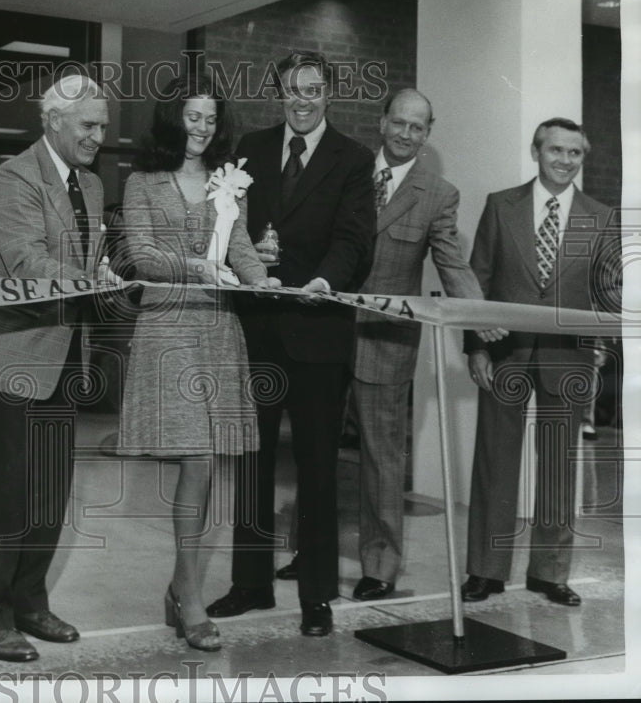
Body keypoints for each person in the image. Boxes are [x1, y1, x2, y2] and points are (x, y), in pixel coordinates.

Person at [207, 50, 375, 637]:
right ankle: (249, 584)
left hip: (319, 329)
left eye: (312, 89)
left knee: (317, 467)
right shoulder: (248, 148)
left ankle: (316, 596)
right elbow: (227, 227)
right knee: (250, 461)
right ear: (278, 92)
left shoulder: (353, 159)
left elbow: (356, 239)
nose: (301, 100)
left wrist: (325, 282)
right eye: (290, 89)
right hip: (257, 327)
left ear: (329, 93)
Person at [118, 74, 280, 651]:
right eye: (192, 117)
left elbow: (238, 248)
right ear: (172, 119)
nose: (202, 128)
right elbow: (140, 254)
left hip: (217, 329)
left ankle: (180, 587)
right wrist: (197, 268)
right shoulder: (142, 182)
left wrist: (267, 280)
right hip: (168, 328)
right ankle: (189, 599)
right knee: (200, 460)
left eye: (210, 119)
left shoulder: (225, 182)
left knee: (205, 465)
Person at [0, 75, 118, 662]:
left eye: (102, 126)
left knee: (50, 493)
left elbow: (90, 257)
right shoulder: (14, 177)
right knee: (3, 494)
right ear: (52, 120)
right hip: (12, 357)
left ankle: (30, 602)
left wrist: (108, 272)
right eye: (87, 125)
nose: (97, 136)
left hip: (64, 357)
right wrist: (93, 278)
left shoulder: (95, 185)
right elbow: (27, 262)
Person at [348, 89, 504, 602]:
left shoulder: (438, 193)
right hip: (323, 334)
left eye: (418, 127)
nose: (406, 134)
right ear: (382, 122)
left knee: (381, 457)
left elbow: (452, 265)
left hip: (385, 341)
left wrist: (480, 320)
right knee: (312, 449)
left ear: (428, 133)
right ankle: (313, 551)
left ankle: (380, 566)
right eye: (399, 123)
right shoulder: (346, 170)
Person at [461, 117, 620, 607]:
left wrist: (599, 346)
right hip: (504, 352)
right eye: (555, 150)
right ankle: (485, 571)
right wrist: (476, 346)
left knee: (557, 468)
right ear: (536, 152)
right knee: (494, 463)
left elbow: (608, 291)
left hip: (566, 358)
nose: (565, 160)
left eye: (574, 153)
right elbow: (477, 280)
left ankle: (549, 573)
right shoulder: (499, 205)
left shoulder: (601, 216)